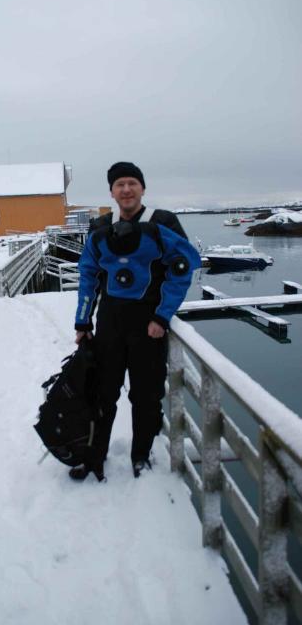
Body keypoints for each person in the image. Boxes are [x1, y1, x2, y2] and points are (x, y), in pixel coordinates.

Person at [71, 161, 201, 481]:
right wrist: (83, 322)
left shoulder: (162, 222)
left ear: (143, 188)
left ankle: (140, 456)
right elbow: (88, 275)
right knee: (102, 392)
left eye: (132, 183)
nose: (126, 189)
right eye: (119, 184)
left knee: (145, 395)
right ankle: (94, 456)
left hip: (149, 323)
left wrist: (162, 315)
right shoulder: (100, 226)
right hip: (110, 321)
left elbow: (181, 270)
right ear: (112, 192)